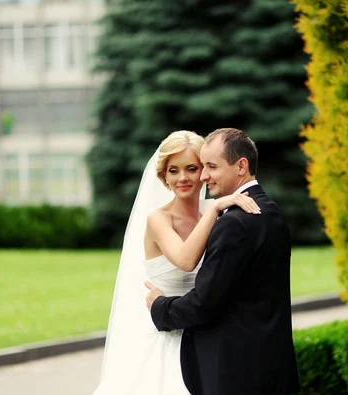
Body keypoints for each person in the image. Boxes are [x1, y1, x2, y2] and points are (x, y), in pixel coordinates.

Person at [93, 130, 260, 395]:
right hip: (166, 336)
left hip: (209, 336)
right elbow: (185, 260)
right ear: (164, 176)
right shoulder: (159, 219)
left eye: (192, 168)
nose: (183, 178)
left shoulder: (219, 212)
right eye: (173, 170)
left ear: (204, 171)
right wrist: (215, 209)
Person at [146, 128, 300, 395]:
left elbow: (204, 303)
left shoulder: (233, 222)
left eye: (210, 167)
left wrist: (160, 308)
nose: (203, 176)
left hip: (234, 370)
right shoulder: (271, 211)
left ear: (241, 166)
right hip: (271, 364)